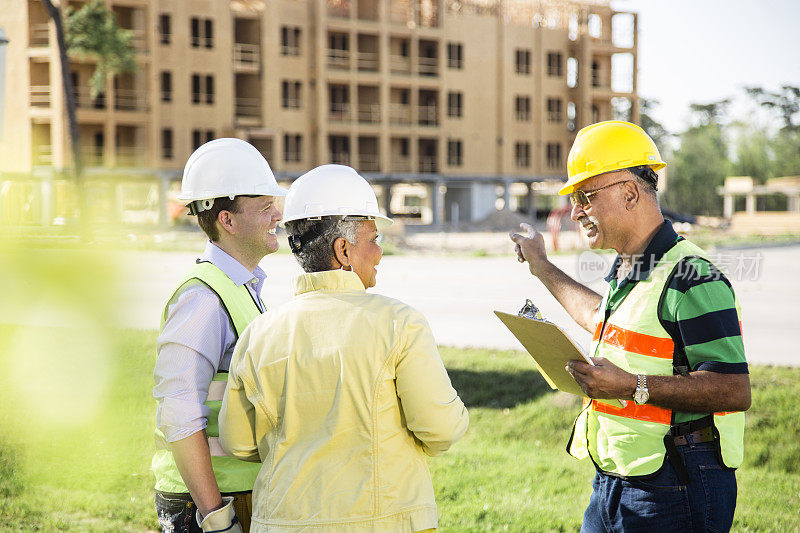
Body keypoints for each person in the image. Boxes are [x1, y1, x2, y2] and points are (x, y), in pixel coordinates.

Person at [509, 121, 750, 532]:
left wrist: (630, 386)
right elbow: (599, 317)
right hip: (615, 482)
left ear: (630, 192)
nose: (576, 211)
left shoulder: (692, 275)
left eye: (585, 196)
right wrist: (541, 267)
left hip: (676, 486)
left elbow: (733, 388)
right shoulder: (631, 266)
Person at [218, 164, 469, 532]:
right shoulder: (399, 323)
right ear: (343, 250)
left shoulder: (259, 334)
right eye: (374, 239)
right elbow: (442, 429)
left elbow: (237, 442)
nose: (380, 253)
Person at [152, 138, 288, 533]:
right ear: (227, 221)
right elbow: (178, 415)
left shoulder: (240, 287)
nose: (277, 214)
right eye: (265, 207)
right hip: (209, 503)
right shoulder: (202, 300)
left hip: (235, 494)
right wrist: (215, 518)